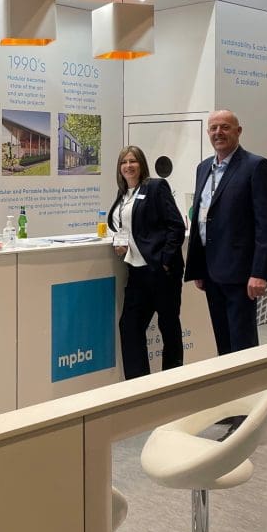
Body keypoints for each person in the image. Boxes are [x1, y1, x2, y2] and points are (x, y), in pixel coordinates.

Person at [184, 109, 267, 356]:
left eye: (225, 127)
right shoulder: (203, 168)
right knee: (223, 342)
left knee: (242, 344)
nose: (218, 133)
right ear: (208, 132)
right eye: (213, 128)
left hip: (241, 274)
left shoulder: (255, 166)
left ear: (238, 131)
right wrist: (198, 267)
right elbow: (203, 218)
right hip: (211, 272)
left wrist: (259, 272)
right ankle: (230, 382)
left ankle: (250, 382)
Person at [107, 145, 187, 380]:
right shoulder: (123, 194)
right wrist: (120, 243)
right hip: (137, 272)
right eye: (124, 162)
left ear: (141, 164)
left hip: (161, 272)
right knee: (129, 327)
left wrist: (165, 260)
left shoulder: (155, 187)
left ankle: (172, 383)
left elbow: (176, 226)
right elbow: (126, 228)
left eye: (133, 161)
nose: (128, 166)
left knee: (169, 327)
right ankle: (139, 385)